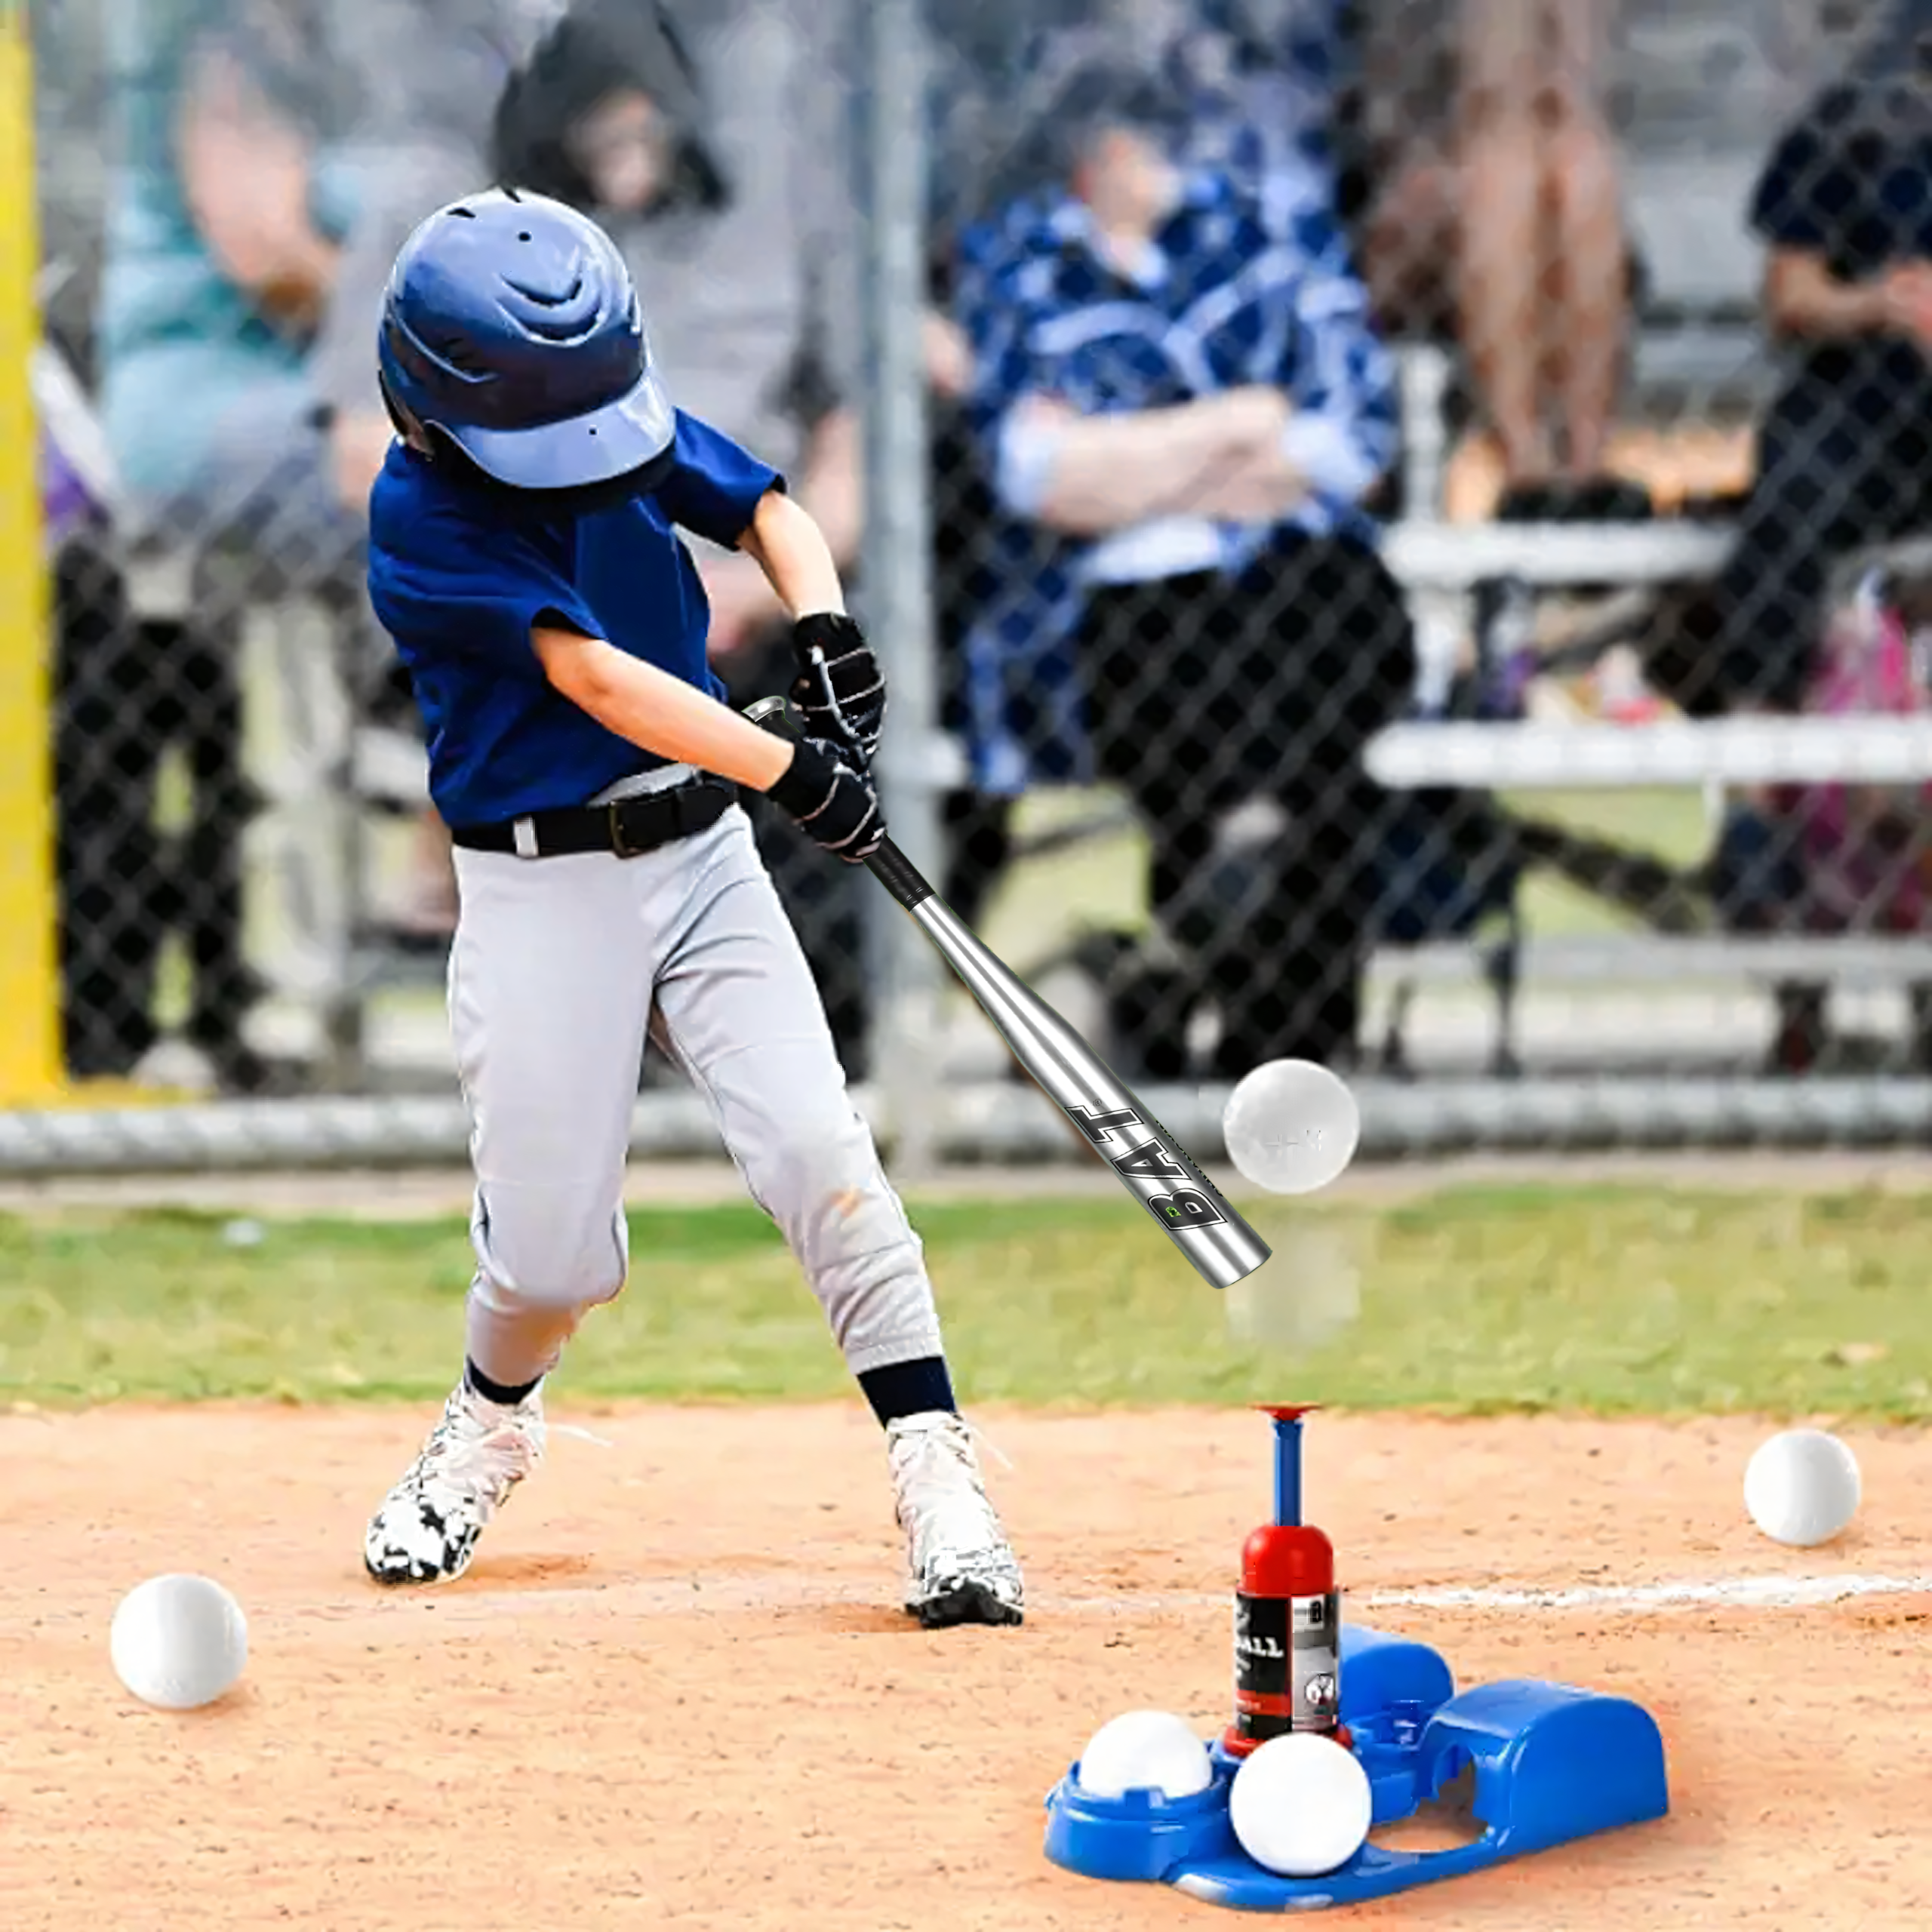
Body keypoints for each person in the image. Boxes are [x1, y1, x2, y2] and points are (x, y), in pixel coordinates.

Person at [358, 189, 1022, 1630]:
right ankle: (492, 1423)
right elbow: (598, 681)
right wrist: (792, 769)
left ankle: (939, 1475)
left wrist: (826, 623)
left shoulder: (603, 418)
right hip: (541, 888)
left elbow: (767, 510)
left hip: (700, 855)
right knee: (550, 1262)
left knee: (820, 1153)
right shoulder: (422, 518)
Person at [955, 54, 1412, 1079]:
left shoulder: (1271, 228)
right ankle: (1273, 1043)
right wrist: (1242, 422)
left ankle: (1195, 945)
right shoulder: (1019, 255)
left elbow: (1352, 443)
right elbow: (1036, 477)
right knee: (1272, 736)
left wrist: (1133, 458)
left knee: (1328, 629)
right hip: (1122, 601)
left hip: (1301, 571)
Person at [1355, 0, 1641, 520]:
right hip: (1406, 207)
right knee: (1501, 169)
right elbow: (1479, 98)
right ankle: (1526, 465)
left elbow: (1572, 91)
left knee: (1582, 164)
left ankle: (1586, 462)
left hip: (1532, 200)